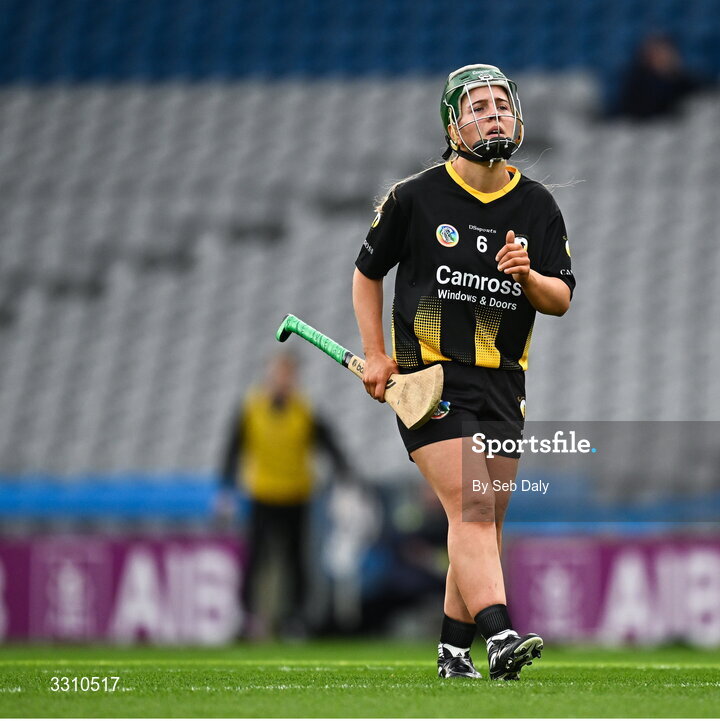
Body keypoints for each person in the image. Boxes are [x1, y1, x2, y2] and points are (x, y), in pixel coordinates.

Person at [352, 64, 575, 680]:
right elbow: (366, 275)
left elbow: (560, 299)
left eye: (501, 104)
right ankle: (499, 636)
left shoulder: (536, 205)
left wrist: (528, 277)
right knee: (474, 511)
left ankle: (453, 652)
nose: (493, 114)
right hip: (432, 383)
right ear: (453, 125)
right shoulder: (415, 197)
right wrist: (376, 354)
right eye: (477, 106)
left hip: (504, 383)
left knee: (483, 523)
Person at [219, 351, 352, 639]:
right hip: (262, 493)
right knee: (256, 559)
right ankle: (247, 618)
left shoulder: (305, 408)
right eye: (278, 372)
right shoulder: (251, 407)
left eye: (287, 373)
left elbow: (329, 444)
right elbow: (233, 449)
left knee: (296, 561)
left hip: (296, 493)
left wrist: (345, 475)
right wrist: (225, 489)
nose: (282, 379)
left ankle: (294, 619)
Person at [614, 33, 705, 120]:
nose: (664, 57)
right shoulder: (637, 82)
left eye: (667, 52)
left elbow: (699, 93)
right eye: (658, 53)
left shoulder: (683, 81)